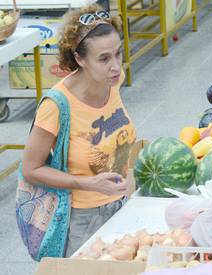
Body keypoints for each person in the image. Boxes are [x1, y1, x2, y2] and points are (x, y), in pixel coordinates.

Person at [21, 4, 136, 257]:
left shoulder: (113, 81)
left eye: (118, 53)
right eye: (104, 59)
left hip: (122, 205)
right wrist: (88, 183)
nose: (116, 66)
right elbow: (30, 169)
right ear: (79, 59)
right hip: (81, 221)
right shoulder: (56, 105)